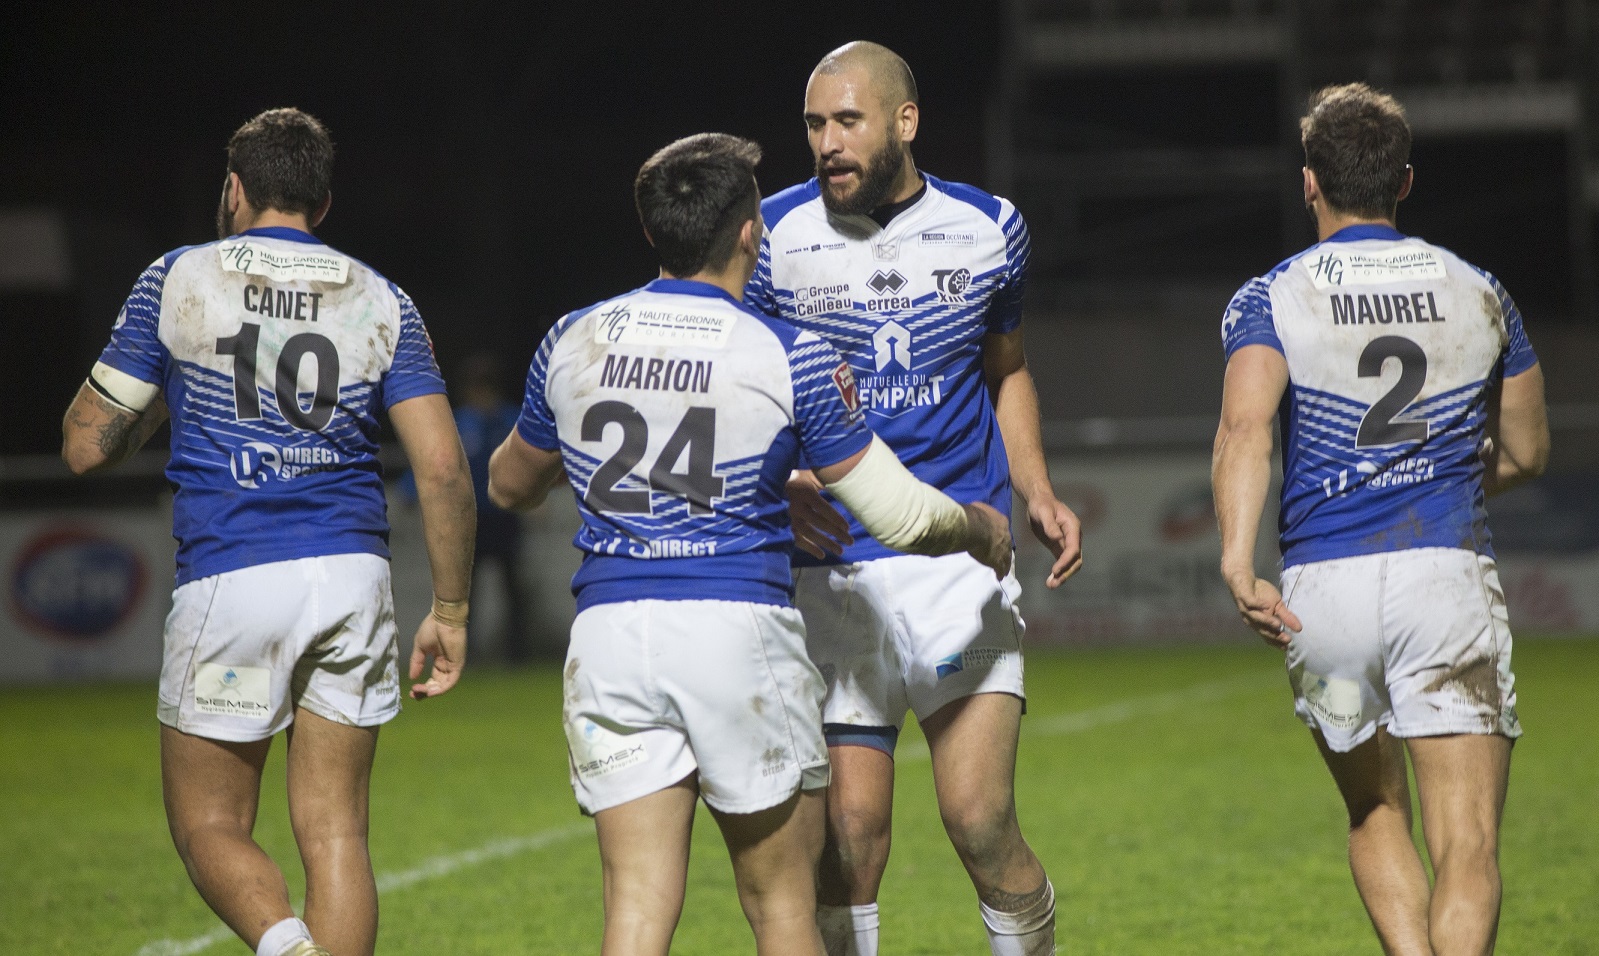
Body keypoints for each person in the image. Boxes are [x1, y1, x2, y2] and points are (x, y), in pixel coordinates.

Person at [487, 132, 1014, 956]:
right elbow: (899, 515)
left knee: (633, 909)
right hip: (733, 630)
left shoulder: (574, 337)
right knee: (781, 907)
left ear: (652, 232)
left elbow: (509, 485)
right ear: (748, 234)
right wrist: (980, 527)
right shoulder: (787, 353)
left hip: (611, 638)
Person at [61, 108, 476, 956]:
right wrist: (453, 607)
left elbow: (81, 448)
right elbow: (440, 467)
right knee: (338, 835)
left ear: (235, 188)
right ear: (323, 204)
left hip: (235, 572)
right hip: (352, 577)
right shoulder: (380, 295)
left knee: (208, 824)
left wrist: (169, 396)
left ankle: (288, 948)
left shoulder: (179, 278)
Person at [744, 42, 1081, 956]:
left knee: (977, 820)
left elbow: (1005, 371)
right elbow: (749, 389)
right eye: (813, 125)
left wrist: (1036, 488)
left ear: (905, 121)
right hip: (829, 575)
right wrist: (786, 473)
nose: (825, 144)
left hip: (957, 566)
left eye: (845, 121)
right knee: (847, 845)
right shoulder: (769, 235)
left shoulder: (989, 225)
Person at [1212, 83, 1549, 955]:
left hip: (1320, 599)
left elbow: (1244, 428)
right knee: (1465, 842)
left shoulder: (1270, 295)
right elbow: (1524, 453)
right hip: (1440, 578)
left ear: (1308, 184)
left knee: (1371, 806)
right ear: (1404, 182)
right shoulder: (1480, 291)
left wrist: (1235, 561)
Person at [402, 352, 532, 662]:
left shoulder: (511, 419)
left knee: (513, 589)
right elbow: (437, 461)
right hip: (468, 520)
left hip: (504, 517)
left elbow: (531, 457)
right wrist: (409, 490)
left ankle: (518, 655)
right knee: (466, 591)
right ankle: (464, 653)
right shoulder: (459, 422)